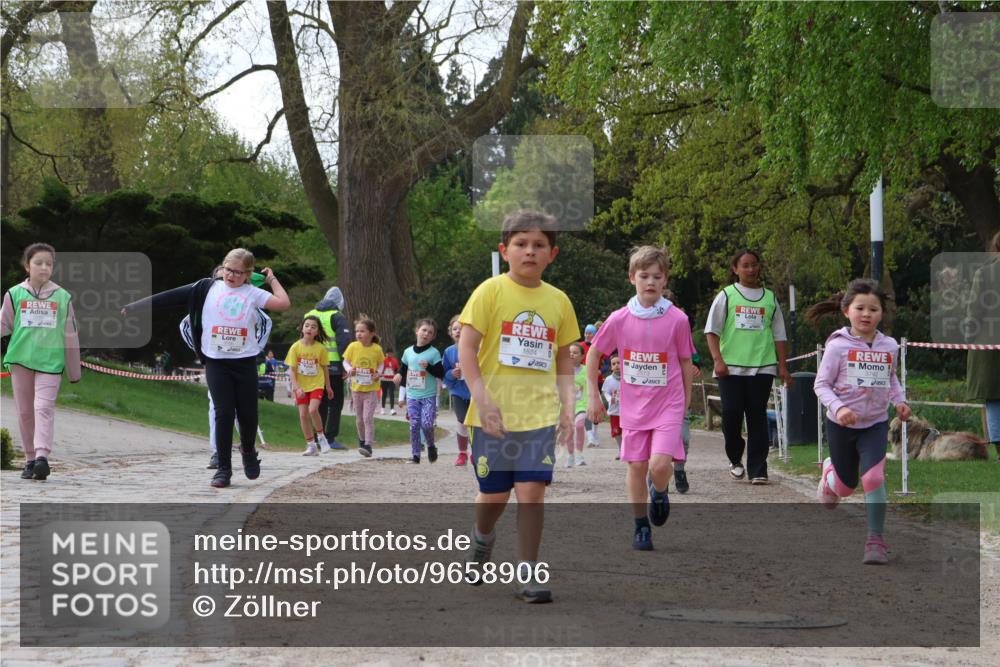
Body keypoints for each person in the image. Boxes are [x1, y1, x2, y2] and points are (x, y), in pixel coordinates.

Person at [459, 209, 579, 603]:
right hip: (493, 414)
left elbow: (564, 357)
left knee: (532, 493)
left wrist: (567, 405)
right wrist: (482, 397)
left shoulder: (559, 301)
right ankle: (482, 537)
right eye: (521, 244)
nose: (530, 251)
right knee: (494, 497)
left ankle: (528, 571)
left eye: (538, 245)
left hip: (538, 414)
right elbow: (467, 347)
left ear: (552, 254)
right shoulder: (489, 292)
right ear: (504, 250)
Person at [123, 248, 290, 488]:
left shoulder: (253, 293)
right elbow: (171, 297)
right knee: (223, 412)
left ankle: (248, 451)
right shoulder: (206, 287)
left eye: (238, 272)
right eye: (228, 269)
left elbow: (283, 303)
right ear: (222, 267)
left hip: (244, 362)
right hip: (216, 361)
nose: (231, 276)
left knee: (248, 414)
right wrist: (136, 307)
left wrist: (272, 279)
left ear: (247, 274)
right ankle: (223, 468)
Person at [587, 245, 694, 551]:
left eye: (657, 277)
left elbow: (686, 361)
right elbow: (594, 352)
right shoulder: (619, 319)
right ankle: (640, 526)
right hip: (634, 406)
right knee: (636, 466)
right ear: (632, 278)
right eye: (644, 276)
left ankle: (659, 492)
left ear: (665, 280)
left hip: (668, 403)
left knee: (659, 465)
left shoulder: (677, 319)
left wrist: (685, 400)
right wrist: (594, 396)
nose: (650, 282)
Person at [809, 278, 911, 565]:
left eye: (873, 309)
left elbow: (891, 379)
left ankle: (875, 541)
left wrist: (899, 401)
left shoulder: (889, 346)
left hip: (875, 424)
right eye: (860, 308)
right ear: (846, 311)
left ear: (882, 313)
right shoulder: (837, 347)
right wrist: (839, 408)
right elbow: (821, 385)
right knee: (845, 487)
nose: (866, 314)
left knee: (874, 478)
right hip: (842, 425)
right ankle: (831, 472)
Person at [704, 248, 792, 485]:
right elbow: (712, 331)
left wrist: (782, 366)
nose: (751, 269)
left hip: (762, 366)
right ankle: (735, 458)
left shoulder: (769, 298)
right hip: (730, 368)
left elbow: (779, 335)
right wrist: (717, 360)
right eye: (745, 265)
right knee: (731, 414)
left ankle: (758, 469)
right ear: (735, 269)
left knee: (757, 417)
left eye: (754, 265)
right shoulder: (727, 295)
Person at [1, 243, 81, 481]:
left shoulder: (62, 297)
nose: (44, 267)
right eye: (38, 263)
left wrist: (74, 371)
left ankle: (42, 457)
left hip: (50, 363)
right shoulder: (14, 294)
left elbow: (71, 334)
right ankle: (29, 459)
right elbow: (4, 324)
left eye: (48, 263)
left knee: (43, 408)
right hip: (20, 361)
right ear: (27, 266)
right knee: (25, 413)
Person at [966, 230, 1000, 463]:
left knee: (994, 399)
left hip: (989, 347)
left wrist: (969, 336)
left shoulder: (985, 273)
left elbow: (975, 312)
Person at [305, 287, 352, 450]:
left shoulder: (310, 314)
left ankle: (318, 437)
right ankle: (330, 438)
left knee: (319, 402)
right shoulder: (337, 316)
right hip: (332, 366)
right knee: (335, 402)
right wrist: (344, 365)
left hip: (311, 365)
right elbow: (344, 341)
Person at [395, 318, 445, 463]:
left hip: (428, 395)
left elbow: (440, 373)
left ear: (433, 337)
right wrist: (398, 374)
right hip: (412, 395)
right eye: (423, 330)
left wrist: (428, 366)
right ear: (417, 331)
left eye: (430, 332)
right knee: (414, 425)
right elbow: (404, 368)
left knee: (427, 424)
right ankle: (415, 455)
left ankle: (430, 445)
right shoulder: (408, 352)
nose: (426, 334)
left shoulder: (433, 353)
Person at [286, 315, 335, 456]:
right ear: (302, 328)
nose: (309, 328)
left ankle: (321, 437)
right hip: (301, 386)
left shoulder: (320, 349)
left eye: (313, 327)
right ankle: (311, 445)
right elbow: (292, 370)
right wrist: (296, 388)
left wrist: (328, 386)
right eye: (307, 325)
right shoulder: (295, 347)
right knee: (302, 415)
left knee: (313, 410)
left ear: (317, 332)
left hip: (316, 384)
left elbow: (325, 368)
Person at [342, 315, 385, 457]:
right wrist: (349, 370)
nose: (359, 334)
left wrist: (378, 373)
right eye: (357, 331)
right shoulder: (353, 346)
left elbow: (381, 363)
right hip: (356, 388)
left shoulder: (377, 349)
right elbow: (345, 361)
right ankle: (361, 440)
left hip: (371, 389)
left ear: (371, 333)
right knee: (359, 419)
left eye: (362, 331)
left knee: (367, 418)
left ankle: (368, 444)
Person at [442, 316, 472, 466]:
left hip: (475, 392)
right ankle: (462, 453)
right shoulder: (449, 352)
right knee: (462, 420)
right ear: (450, 332)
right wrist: (451, 374)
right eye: (455, 329)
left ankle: (477, 453)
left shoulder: (477, 348)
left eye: (462, 329)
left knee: (475, 423)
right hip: (458, 392)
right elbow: (444, 374)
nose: (458, 332)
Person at [566, 342, 588, 468]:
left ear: (581, 356)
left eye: (575, 353)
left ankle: (579, 454)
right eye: (570, 353)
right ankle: (570, 455)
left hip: (581, 405)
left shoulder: (586, 370)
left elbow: (591, 388)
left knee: (579, 425)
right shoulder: (563, 370)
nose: (572, 355)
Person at [602, 354, 623, 458]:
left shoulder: (629, 378)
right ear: (611, 367)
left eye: (619, 363)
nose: (616, 365)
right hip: (614, 411)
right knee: (616, 432)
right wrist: (610, 399)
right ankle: (620, 449)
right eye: (613, 364)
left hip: (627, 411)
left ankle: (627, 450)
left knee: (627, 431)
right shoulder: (608, 379)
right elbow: (605, 392)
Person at [380, 348, 400, 415]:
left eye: (391, 353)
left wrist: (396, 375)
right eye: (388, 353)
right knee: (384, 394)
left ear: (392, 353)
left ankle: (392, 409)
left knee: (392, 394)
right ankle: (382, 408)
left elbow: (396, 369)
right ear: (386, 353)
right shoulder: (383, 360)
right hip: (384, 379)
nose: (389, 354)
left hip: (392, 380)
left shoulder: (394, 360)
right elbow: (380, 369)